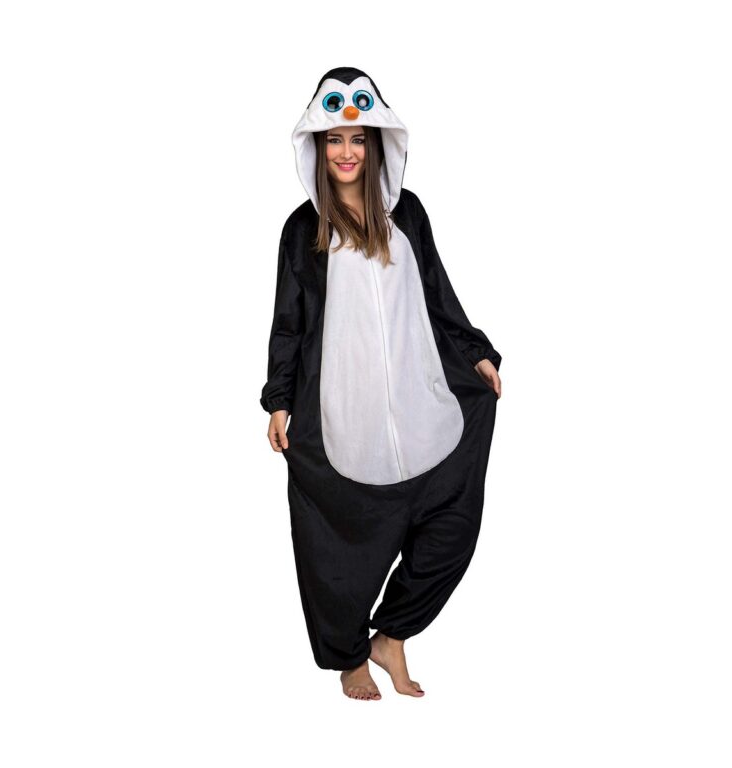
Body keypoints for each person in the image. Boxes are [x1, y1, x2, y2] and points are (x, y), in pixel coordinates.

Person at [260, 66, 502, 701]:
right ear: (317, 146)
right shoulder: (302, 230)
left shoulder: (407, 214)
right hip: (342, 418)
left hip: (422, 405)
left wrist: (474, 352)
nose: (346, 152)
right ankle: (349, 657)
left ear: (376, 144)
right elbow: (289, 323)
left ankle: (390, 637)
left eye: (358, 139)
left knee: (453, 527)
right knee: (335, 547)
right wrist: (279, 399)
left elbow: (438, 292)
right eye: (334, 140)